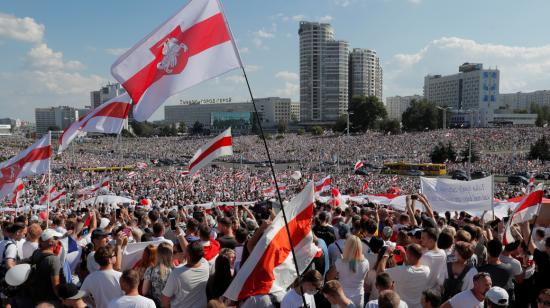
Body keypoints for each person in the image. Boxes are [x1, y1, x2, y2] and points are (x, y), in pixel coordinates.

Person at [161, 241, 210, 308]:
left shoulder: (177, 273)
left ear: (188, 256)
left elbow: (165, 299)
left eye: (185, 251)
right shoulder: (205, 264)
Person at [380, 244, 430, 308]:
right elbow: (411, 268)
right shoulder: (427, 270)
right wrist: (405, 259)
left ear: (410, 255)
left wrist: (386, 254)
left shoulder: (401, 271)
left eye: (407, 253)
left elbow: (381, 272)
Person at [326, 235, 369, 307]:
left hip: (342, 298)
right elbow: (365, 280)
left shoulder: (340, 262)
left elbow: (329, 277)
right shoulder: (366, 262)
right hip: (358, 298)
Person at [29, 229, 65, 306]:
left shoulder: (36, 252)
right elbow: (56, 286)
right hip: (50, 301)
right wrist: (63, 299)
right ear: (50, 242)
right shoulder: (53, 260)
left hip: (36, 298)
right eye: (56, 238)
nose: (58, 241)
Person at [142, 242, 173, 306]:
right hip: (169, 305)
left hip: (154, 305)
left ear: (157, 254)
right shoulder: (174, 270)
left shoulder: (150, 269)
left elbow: (144, 291)